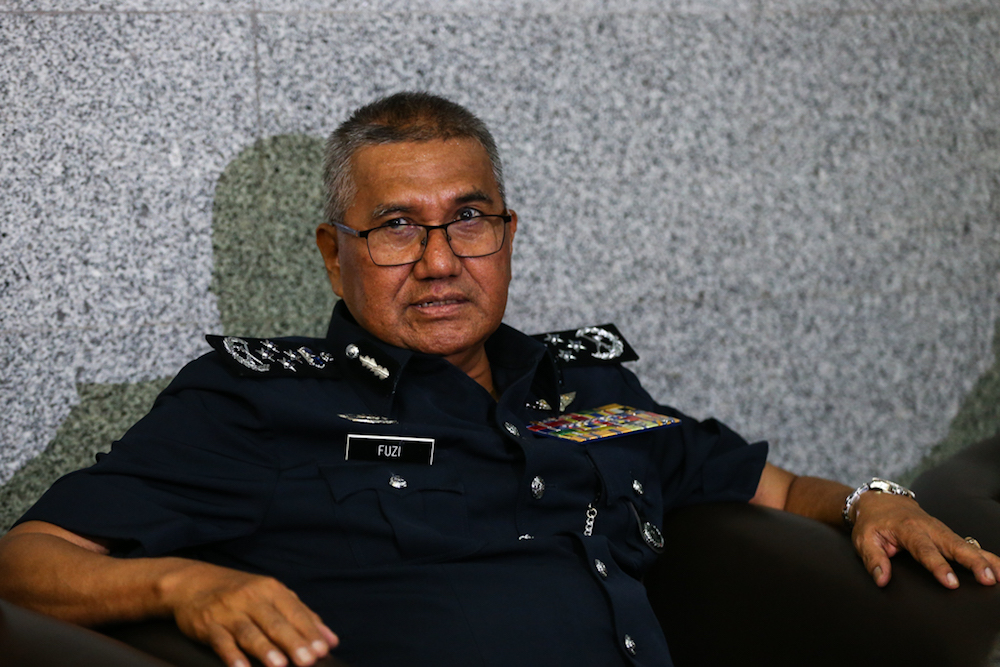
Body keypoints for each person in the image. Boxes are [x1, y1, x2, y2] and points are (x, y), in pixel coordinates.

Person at [0, 91, 997, 667]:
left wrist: (874, 499)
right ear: (331, 252)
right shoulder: (258, 402)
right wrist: (184, 582)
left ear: (507, 233)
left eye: (468, 219)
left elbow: (769, 488)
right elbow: (27, 559)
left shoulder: (585, 390)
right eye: (396, 227)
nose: (440, 261)